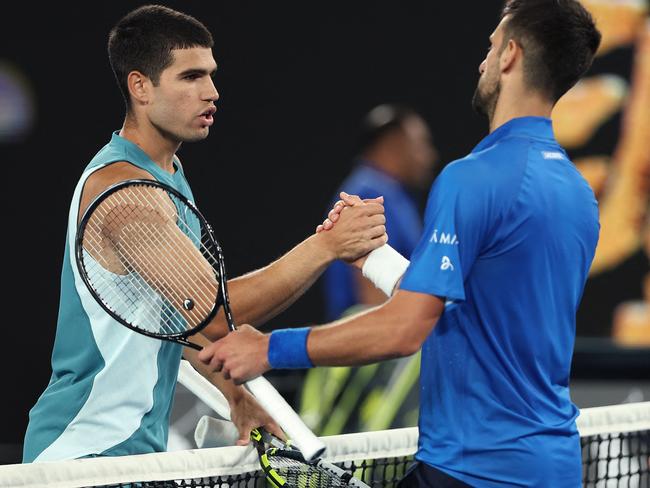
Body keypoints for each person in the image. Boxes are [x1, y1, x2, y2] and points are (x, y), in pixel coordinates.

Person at [199, 1, 602, 486]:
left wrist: (268, 348)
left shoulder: (472, 178)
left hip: (474, 470)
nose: (483, 61)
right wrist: (373, 257)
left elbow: (405, 330)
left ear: (511, 54)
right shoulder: (578, 193)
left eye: (491, 46)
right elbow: (481, 312)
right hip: (553, 469)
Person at [22, 5, 387, 463]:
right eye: (191, 77)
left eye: (211, 75)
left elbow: (181, 327)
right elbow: (213, 314)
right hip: (84, 457)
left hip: (132, 455)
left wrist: (237, 396)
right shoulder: (124, 194)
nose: (212, 92)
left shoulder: (167, 176)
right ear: (141, 87)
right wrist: (327, 246)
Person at [323, 104, 437, 320]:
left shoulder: (391, 193)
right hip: (375, 342)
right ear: (393, 145)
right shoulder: (368, 193)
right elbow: (372, 295)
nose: (429, 156)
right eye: (421, 145)